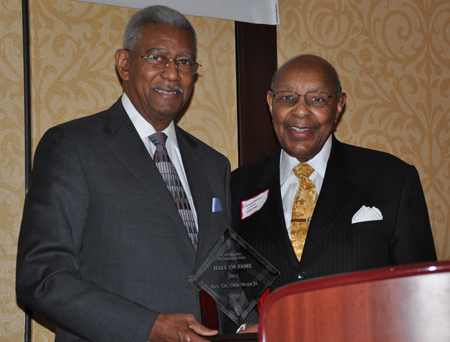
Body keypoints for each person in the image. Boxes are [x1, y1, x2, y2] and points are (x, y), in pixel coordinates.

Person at [16, 5, 234, 342]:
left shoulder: (213, 164)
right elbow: (43, 277)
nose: (172, 74)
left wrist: (245, 320)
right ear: (124, 64)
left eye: (184, 62)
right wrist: (147, 327)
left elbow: (222, 276)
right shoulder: (72, 145)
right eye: (156, 58)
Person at [231, 54, 437, 332]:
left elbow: (425, 296)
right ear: (271, 103)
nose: (301, 112)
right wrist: (244, 328)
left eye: (317, 99)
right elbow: (226, 288)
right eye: (287, 98)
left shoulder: (392, 178)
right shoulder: (237, 186)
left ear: (339, 105)